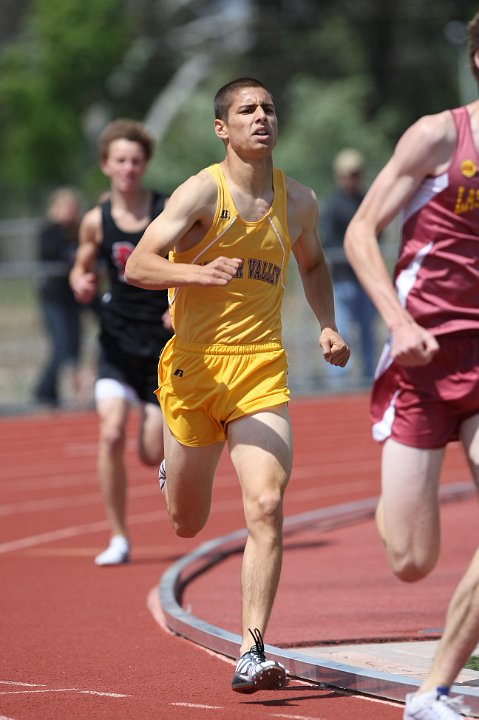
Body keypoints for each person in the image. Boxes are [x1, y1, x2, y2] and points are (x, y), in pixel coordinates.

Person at [125, 77, 350, 693]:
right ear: (222, 128)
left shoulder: (297, 200)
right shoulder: (203, 191)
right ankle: (176, 469)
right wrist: (194, 274)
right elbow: (137, 264)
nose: (261, 118)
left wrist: (327, 324)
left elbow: (312, 262)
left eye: (269, 108)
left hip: (258, 369)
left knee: (267, 504)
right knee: (186, 524)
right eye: (246, 110)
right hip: (195, 369)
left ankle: (251, 650)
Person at [344, 12, 479, 720]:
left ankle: (431, 689)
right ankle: (392, 506)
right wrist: (397, 323)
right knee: (410, 559)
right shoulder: (438, 134)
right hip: (422, 360)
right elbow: (359, 229)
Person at [70, 119, 172, 566]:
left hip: (160, 346)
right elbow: (81, 265)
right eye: (120, 161)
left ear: (145, 164)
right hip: (115, 341)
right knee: (110, 434)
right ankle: (117, 536)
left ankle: (158, 435)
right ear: (106, 166)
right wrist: (81, 283)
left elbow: (195, 260)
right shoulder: (96, 219)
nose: (128, 168)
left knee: (151, 453)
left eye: (136, 160)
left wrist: (180, 302)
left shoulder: (167, 211)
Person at [320, 149, 377, 386]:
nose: (353, 179)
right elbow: (328, 240)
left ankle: (370, 376)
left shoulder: (366, 200)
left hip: (365, 279)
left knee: (368, 330)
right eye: (349, 174)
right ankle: (338, 381)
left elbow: (376, 232)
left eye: (356, 174)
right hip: (343, 280)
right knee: (340, 329)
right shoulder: (333, 205)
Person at [33, 187, 85, 407]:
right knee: (61, 345)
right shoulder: (49, 231)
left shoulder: (79, 231)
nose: (69, 211)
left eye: (72, 207)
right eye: (65, 207)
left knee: (74, 345)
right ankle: (44, 390)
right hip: (53, 299)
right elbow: (55, 254)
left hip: (72, 298)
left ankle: (50, 392)